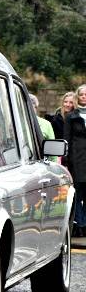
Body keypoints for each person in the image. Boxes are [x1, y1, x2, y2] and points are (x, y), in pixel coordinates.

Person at [65, 84, 86, 238]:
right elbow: (66, 139)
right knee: (78, 194)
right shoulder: (71, 117)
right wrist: (67, 160)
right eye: (82, 95)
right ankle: (81, 225)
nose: (84, 97)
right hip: (77, 160)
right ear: (78, 97)